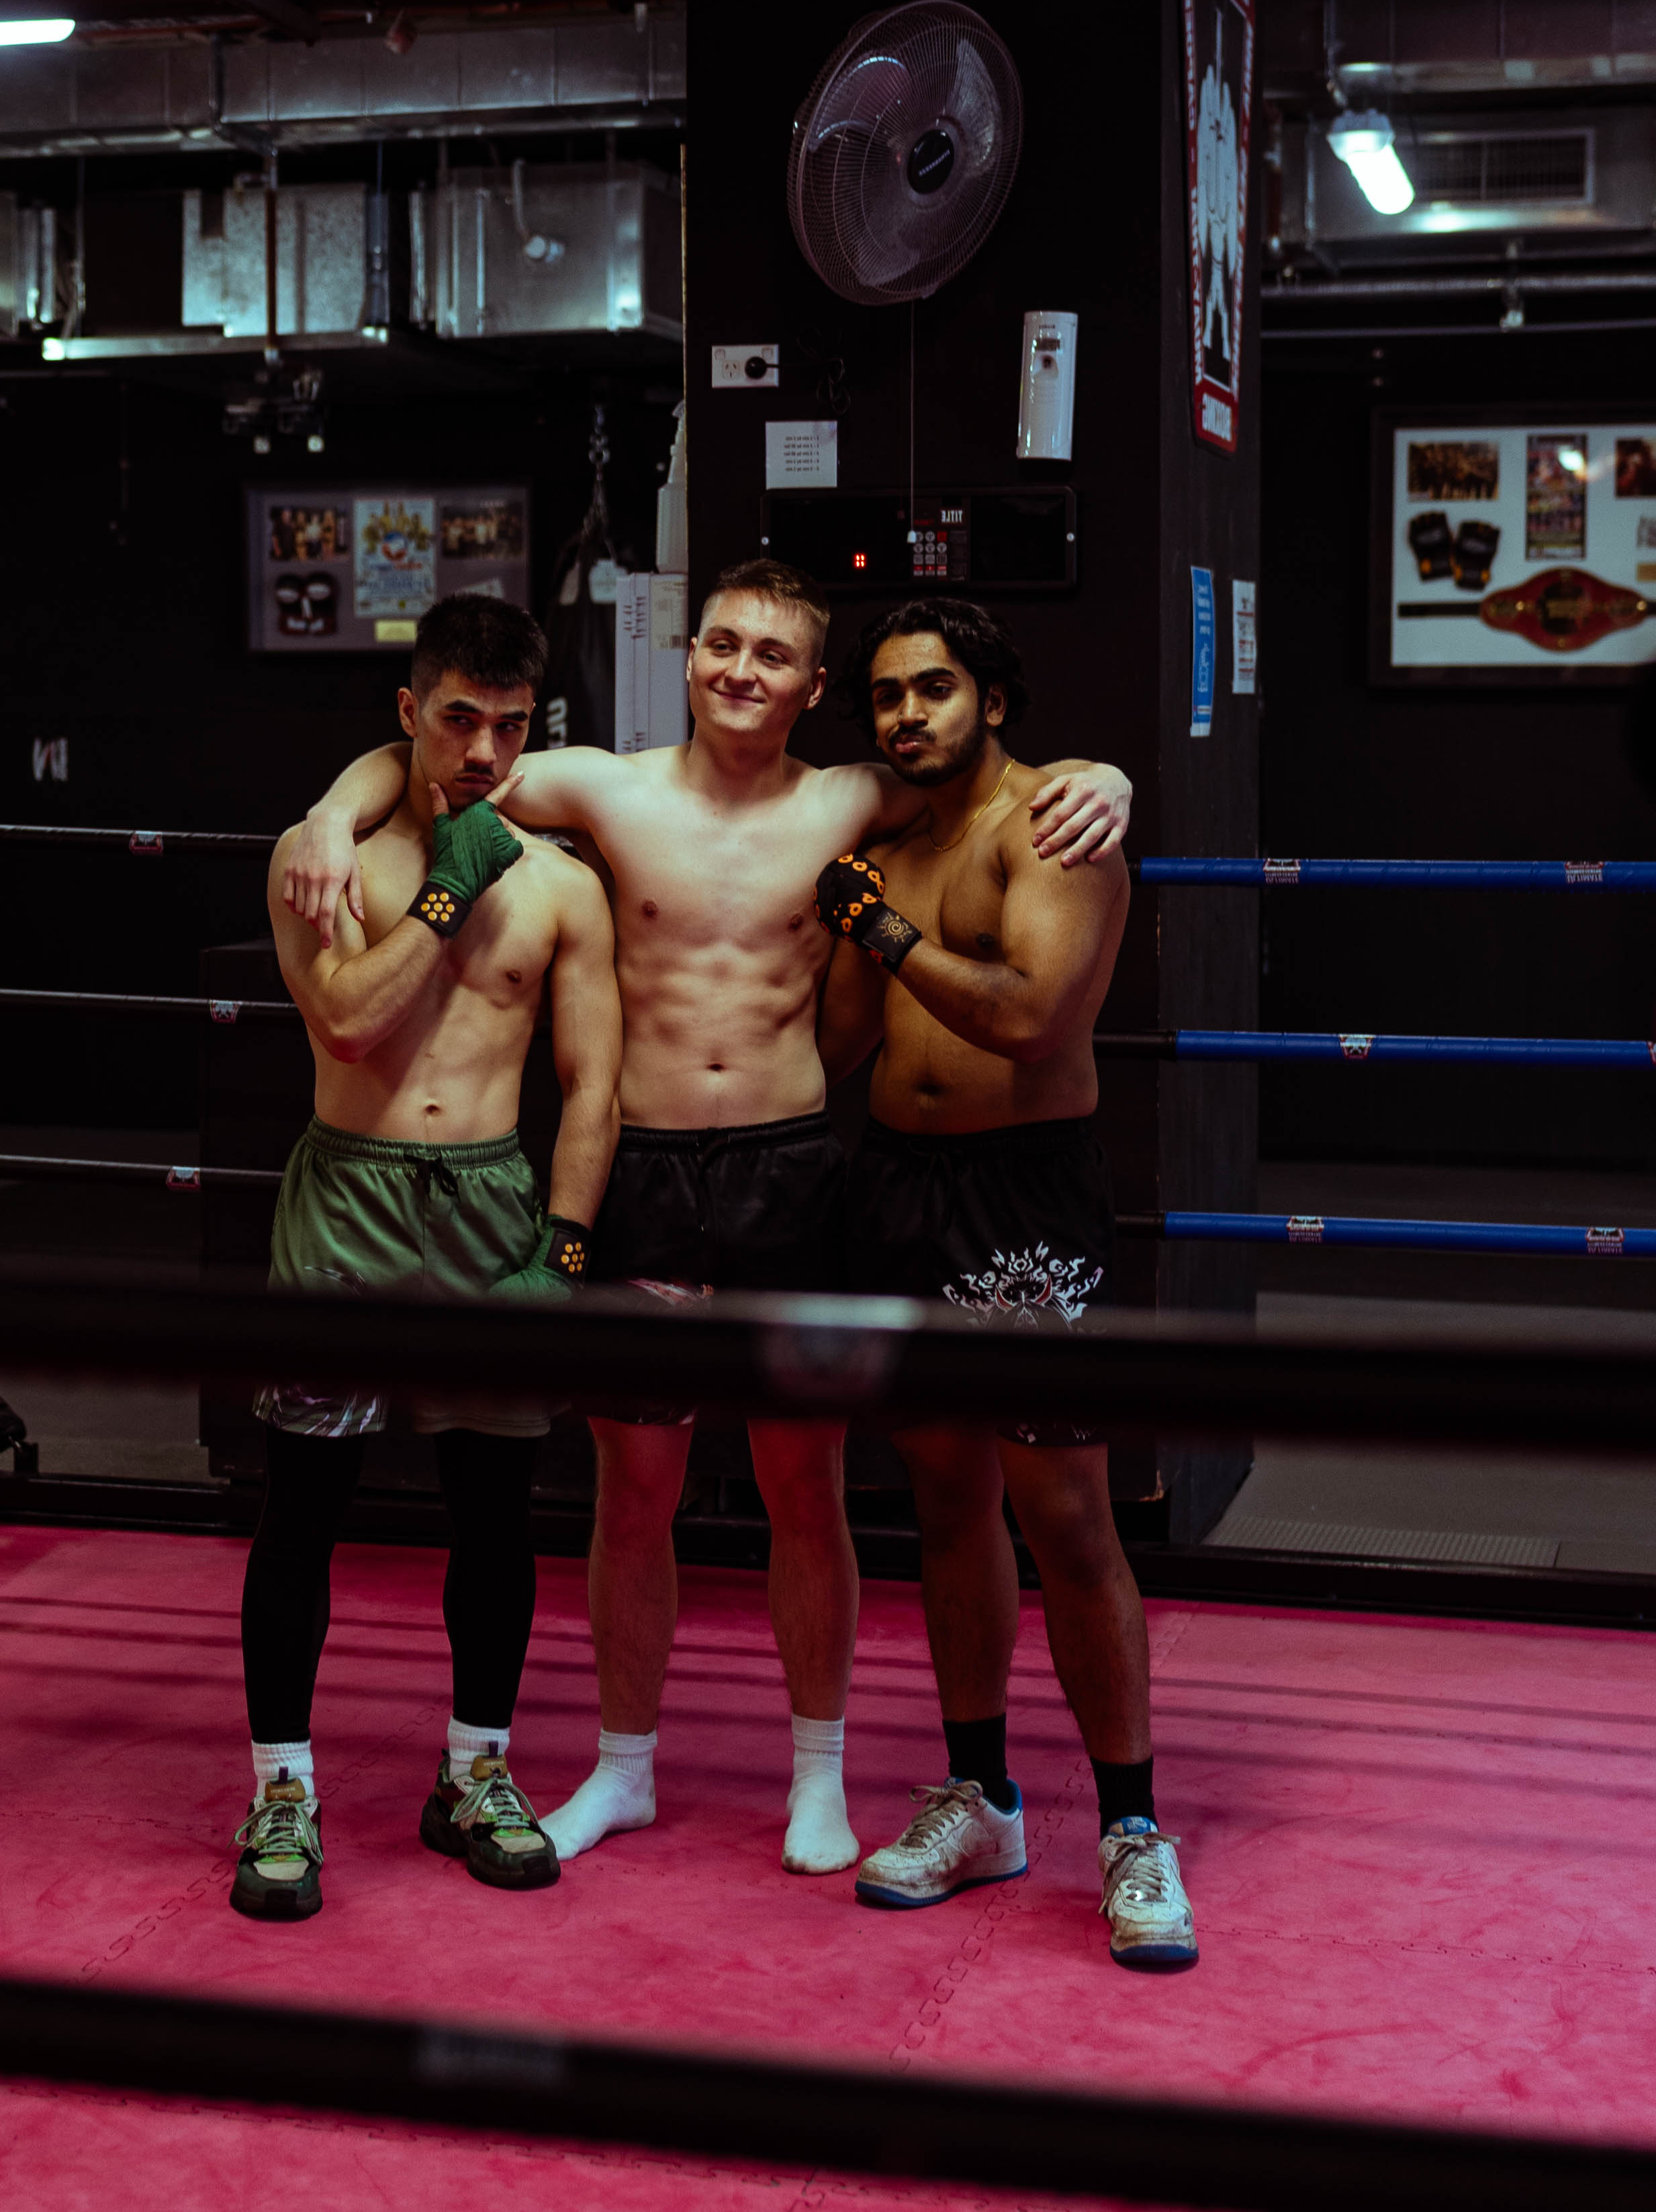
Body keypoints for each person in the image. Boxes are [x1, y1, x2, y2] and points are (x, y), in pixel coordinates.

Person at [281, 559, 1133, 1876]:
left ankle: (816, 1775)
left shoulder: (858, 797)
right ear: (688, 654)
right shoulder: (601, 787)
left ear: (809, 685)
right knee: (635, 1490)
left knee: (804, 1485)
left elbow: (995, 776)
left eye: (772, 655)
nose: (741, 670)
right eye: (722, 645)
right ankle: (622, 1771)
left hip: (791, 1171)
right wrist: (337, 809)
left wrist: (1108, 776)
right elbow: (448, 747)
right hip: (644, 1165)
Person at [815, 596, 1196, 1970]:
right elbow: (847, 1049)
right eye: (883, 695)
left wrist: (883, 940)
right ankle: (977, 1801)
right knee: (942, 1499)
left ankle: (1133, 1831)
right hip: (896, 1189)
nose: (906, 714)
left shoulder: (1056, 824)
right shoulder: (882, 837)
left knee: (1067, 1512)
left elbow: (1038, 1022)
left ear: (992, 697)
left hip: (1023, 1189)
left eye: (931, 688)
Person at [232, 593, 620, 1923]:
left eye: (508, 728)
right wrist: (447, 887)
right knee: (305, 1509)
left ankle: (474, 1771)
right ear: (408, 713)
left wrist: (560, 1253)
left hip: (491, 1206)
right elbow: (343, 1025)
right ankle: (281, 1784)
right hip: (346, 1202)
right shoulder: (324, 861)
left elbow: (594, 1082)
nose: (482, 751)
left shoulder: (562, 883)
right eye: (458, 718)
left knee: (496, 1515)